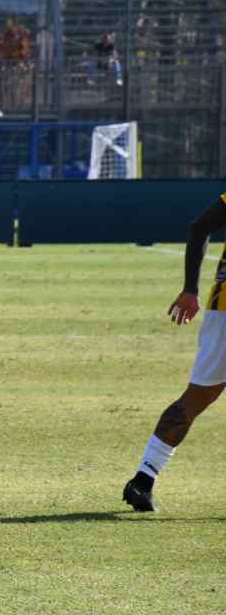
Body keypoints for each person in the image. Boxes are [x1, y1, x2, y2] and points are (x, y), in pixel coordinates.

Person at [123, 191, 226, 511]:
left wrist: (191, 289)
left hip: (222, 309)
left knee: (197, 396)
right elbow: (200, 227)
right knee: (197, 396)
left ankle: (143, 478)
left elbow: (200, 226)